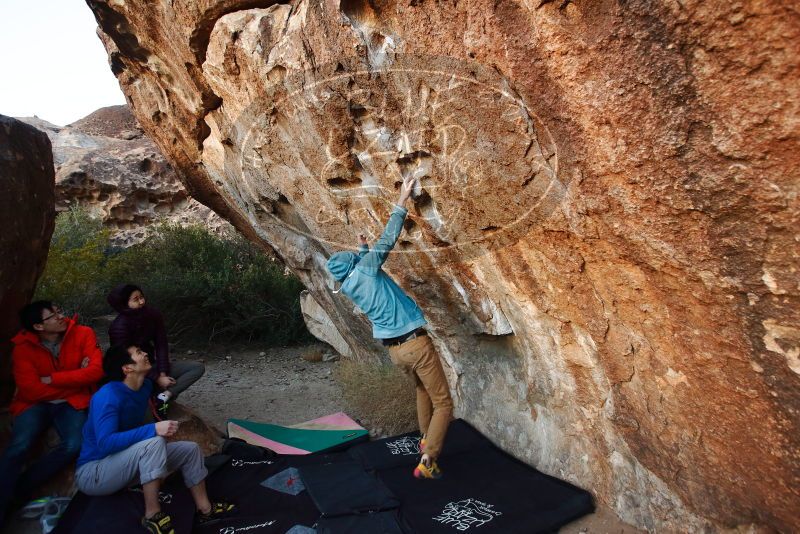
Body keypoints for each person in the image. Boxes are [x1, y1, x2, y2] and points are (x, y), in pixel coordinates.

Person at [326, 177, 453, 479]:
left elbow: (364, 264)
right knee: (444, 402)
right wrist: (402, 198)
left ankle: (424, 438)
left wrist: (361, 248)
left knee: (422, 388)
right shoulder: (367, 270)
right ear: (356, 265)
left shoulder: (352, 285)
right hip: (415, 344)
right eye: (357, 258)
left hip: (396, 352)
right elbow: (389, 238)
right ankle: (429, 457)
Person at [76, 344, 236, 533]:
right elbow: (105, 444)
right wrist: (153, 429)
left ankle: (205, 509)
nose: (144, 353)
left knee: (190, 449)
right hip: (95, 472)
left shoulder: (143, 387)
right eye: (138, 353)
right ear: (127, 368)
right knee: (153, 442)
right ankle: (153, 514)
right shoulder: (108, 397)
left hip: (125, 464)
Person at [0, 301, 103, 524]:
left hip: (71, 402)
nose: (61, 317)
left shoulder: (83, 333)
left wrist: (54, 379)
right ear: (38, 326)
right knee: (20, 445)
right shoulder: (23, 348)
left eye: (59, 311)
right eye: (53, 315)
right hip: (33, 403)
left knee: (74, 444)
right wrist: (76, 376)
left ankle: (17, 491)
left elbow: (95, 371)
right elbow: (30, 389)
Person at [107, 284, 205, 418]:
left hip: (151, 363)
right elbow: (124, 361)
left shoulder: (152, 315)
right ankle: (154, 405)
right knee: (144, 396)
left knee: (196, 368)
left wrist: (163, 373)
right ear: (125, 304)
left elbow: (161, 344)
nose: (142, 302)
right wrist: (156, 378)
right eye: (136, 299)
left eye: (142, 297)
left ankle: (164, 397)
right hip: (135, 371)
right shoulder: (118, 327)